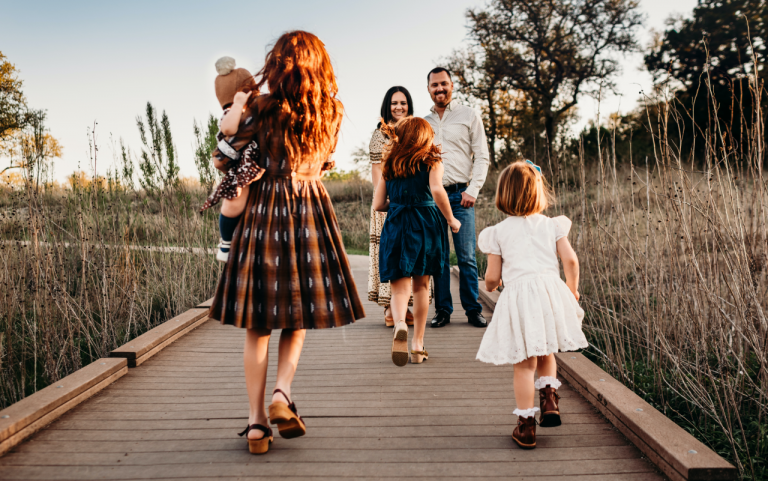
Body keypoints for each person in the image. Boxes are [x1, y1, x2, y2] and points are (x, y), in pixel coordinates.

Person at [207, 31, 366, 455]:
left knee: (258, 324)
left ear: (276, 65)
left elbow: (225, 156)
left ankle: (257, 424)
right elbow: (328, 158)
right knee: (297, 313)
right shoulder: (329, 111)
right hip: (310, 209)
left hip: (265, 212)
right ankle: (283, 392)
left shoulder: (261, 107)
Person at [475, 161, 588, 449]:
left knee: (524, 365)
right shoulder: (552, 225)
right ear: (538, 192)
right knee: (547, 348)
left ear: (504, 194)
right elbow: (571, 260)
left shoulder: (497, 232)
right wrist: (572, 291)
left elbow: (491, 278)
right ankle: (549, 399)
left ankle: (526, 427)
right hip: (550, 292)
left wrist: (490, 286)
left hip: (520, 297)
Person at [373, 117, 460, 366]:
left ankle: (400, 323)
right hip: (426, 224)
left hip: (397, 223)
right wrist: (452, 220)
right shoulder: (432, 161)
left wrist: (399, 203)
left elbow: (378, 204)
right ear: (424, 137)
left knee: (400, 288)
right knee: (422, 287)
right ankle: (418, 345)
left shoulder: (389, 164)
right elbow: (437, 190)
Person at [424, 67, 490, 329]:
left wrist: (473, 189)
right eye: (434, 85)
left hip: (462, 196)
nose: (439, 89)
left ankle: (473, 310)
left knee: (466, 257)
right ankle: (443, 310)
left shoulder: (468, 115)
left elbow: (482, 155)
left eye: (443, 84)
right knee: (438, 256)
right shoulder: (423, 123)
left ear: (452, 85)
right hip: (433, 200)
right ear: (428, 89)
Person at [367, 86, 430, 327]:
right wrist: (387, 202)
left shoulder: (414, 132)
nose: (399, 107)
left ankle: (405, 308)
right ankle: (388, 309)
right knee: (389, 255)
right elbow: (377, 174)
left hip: (412, 203)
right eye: (394, 103)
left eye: (403, 103)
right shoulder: (380, 135)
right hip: (388, 203)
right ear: (387, 106)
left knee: (410, 254)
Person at [200, 57, 263, 263]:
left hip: (251, 162)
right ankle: (225, 244)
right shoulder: (232, 111)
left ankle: (235, 241)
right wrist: (238, 104)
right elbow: (228, 129)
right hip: (242, 165)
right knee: (234, 201)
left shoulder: (252, 111)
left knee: (240, 203)